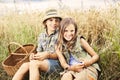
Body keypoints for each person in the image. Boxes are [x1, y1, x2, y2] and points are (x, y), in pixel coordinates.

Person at [12, 8, 63, 80]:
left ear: (59, 23)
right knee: (25, 65)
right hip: (44, 62)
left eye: (56, 20)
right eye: (50, 20)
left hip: (57, 64)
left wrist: (48, 55)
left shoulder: (60, 35)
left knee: (34, 64)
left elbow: (61, 55)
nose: (54, 23)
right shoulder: (41, 36)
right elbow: (39, 52)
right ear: (45, 22)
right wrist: (34, 56)